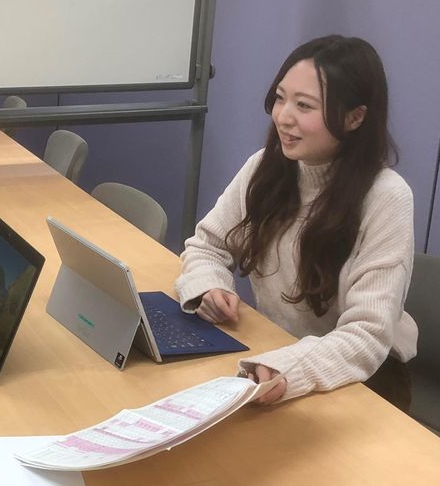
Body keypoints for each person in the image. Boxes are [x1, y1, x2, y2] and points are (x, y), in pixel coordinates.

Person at [175, 35, 417, 409]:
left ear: (355, 118)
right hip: (279, 356)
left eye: (304, 105)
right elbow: (207, 246)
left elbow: (367, 336)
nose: (283, 116)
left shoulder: (386, 197)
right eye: (280, 97)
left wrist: (288, 368)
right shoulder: (265, 166)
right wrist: (207, 286)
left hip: (365, 382)